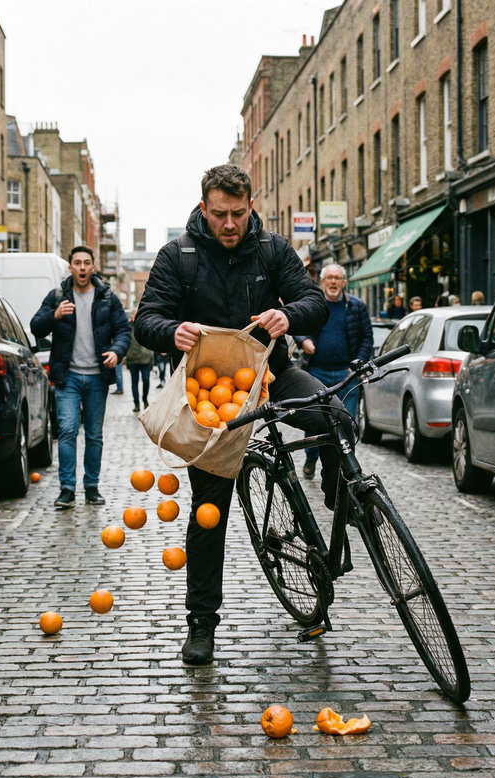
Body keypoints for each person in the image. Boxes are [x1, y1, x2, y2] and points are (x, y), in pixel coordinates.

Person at [134, 164, 352, 666]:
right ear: (203, 207)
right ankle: (201, 625)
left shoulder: (272, 249)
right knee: (209, 512)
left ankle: (337, 494)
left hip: (271, 375)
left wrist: (288, 315)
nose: (229, 224)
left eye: (237, 213)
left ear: (251, 206)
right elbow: (146, 320)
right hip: (211, 396)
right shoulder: (178, 256)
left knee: (338, 418)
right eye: (219, 214)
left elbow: (314, 302)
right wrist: (172, 331)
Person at [31, 245, 131, 509]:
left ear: (93, 267)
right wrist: (54, 315)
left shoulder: (107, 297)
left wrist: (117, 351)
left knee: (94, 435)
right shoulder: (58, 296)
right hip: (69, 377)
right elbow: (35, 327)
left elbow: (124, 330)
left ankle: (91, 487)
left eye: (87, 263)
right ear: (71, 267)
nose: (83, 267)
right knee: (67, 430)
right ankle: (66, 489)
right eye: (78, 263)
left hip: (98, 377)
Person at [293, 263, 374, 479]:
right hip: (316, 372)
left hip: (346, 375)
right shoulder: (313, 304)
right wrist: (304, 341)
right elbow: (297, 325)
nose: (333, 282)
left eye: (338, 278)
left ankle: (343, 469)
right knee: (315, 419)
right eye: (329, 278)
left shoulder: (356, 306)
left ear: (344, 282)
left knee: (347, 422)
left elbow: (367, 337)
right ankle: (311, 457)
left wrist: (357, 363)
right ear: (322, 281)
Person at [125, 308, 155, 413]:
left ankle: (145, 399)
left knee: (146, 380)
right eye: (132, 315)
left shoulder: (145, 325)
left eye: (136, 314)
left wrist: (151, 358)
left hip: (145, 358)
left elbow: (151, 340)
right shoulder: (128, 327)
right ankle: (136, 403)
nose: (134, 316)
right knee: (134, 382)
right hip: (132, 359)